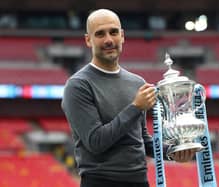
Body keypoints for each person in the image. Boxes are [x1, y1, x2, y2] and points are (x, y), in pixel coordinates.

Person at [61, 9, 196, 187]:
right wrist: (135, 107)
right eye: (100, 34)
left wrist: (172, 152)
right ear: (88, 40)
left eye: (113, 32)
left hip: (139, 181)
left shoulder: (136, 82)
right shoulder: (78, 85)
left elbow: (141, 140)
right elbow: (96, 142)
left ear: (122, 36)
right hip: (101, 182)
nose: (109, 40)